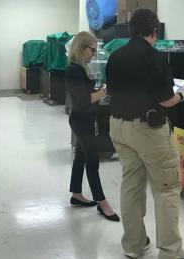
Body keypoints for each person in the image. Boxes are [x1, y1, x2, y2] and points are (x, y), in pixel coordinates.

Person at [106, 9, 184, 259]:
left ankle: (134, 246)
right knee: (167, 189)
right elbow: (167, 100)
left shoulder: (115, 56)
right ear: (154, 31)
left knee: (132, 186)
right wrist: (183, 93)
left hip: (118, 127)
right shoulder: (154, 58)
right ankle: (171, 253)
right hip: (148, 130)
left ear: (131, 30)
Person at [65, 31, 120, 222]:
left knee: (81, 157)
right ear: (81, 48)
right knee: (92, 161)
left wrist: (98, 90)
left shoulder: (81, 69)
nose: (94, 54)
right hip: (82, 121)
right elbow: (82, 101)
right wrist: (105, 91)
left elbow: (86, 93)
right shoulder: (74, 70)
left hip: (84, 119)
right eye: (92, 50)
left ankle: (76, 194)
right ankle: (102, 202)